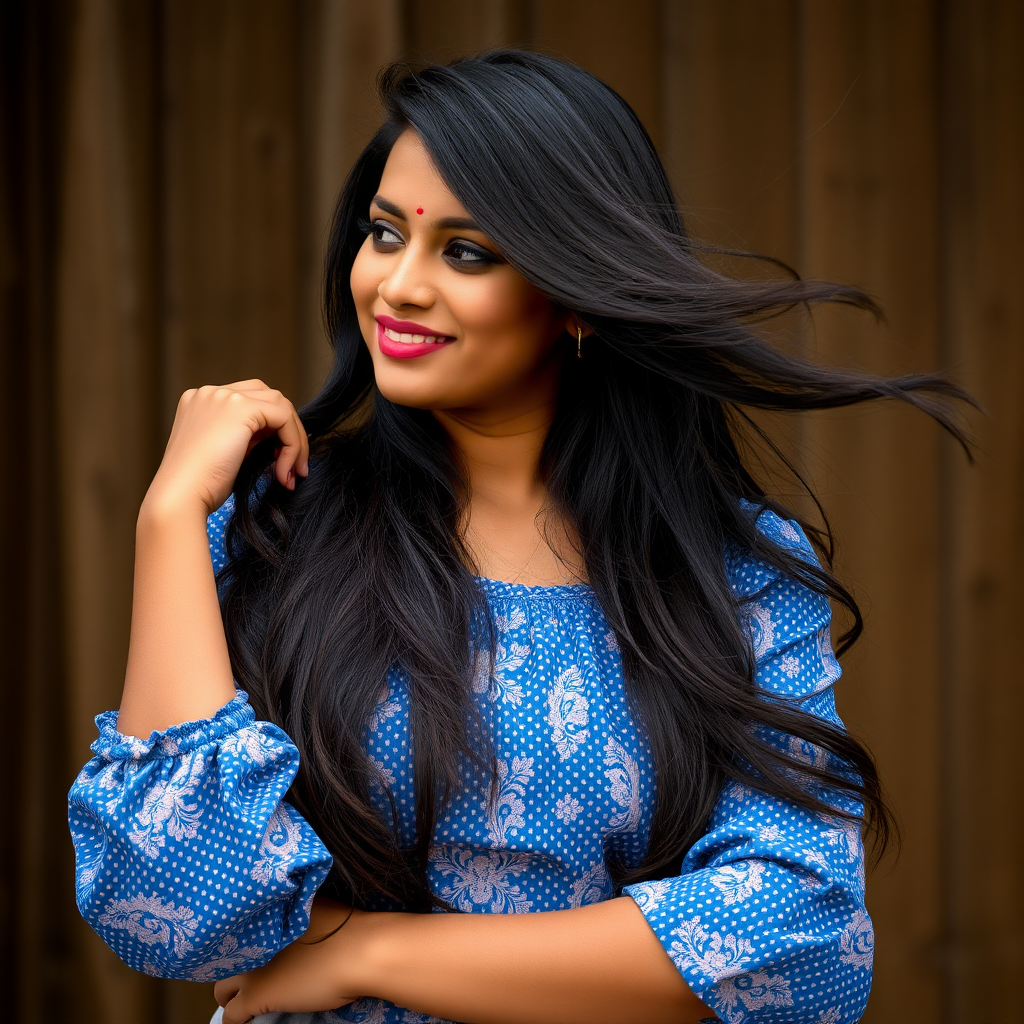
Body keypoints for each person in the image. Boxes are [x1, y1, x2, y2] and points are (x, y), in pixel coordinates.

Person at [67, 50, 969, 1024]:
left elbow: (803, 941)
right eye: (384, 233)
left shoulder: (734, 573)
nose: (399, 285)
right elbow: (171, 913)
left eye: (465, 251)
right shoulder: (274, 534)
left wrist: (366, 948)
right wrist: (167, 519)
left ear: (576, 294)